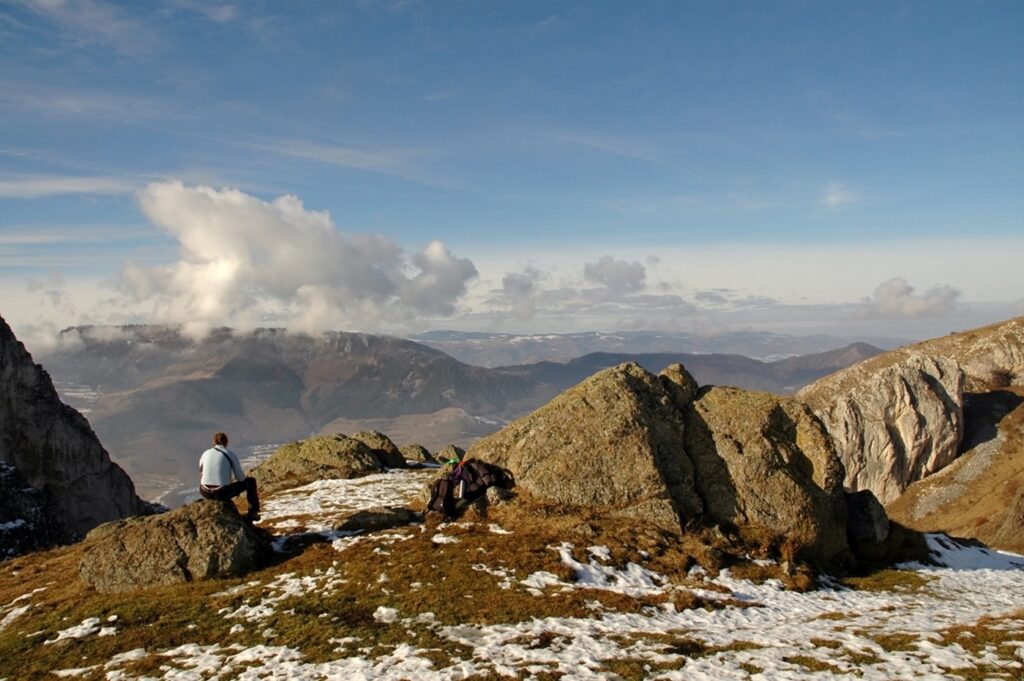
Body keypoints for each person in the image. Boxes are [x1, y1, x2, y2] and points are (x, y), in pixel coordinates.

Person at [198, 432, 261, 522]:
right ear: (226, 442)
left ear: (213, 442)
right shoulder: (230, 454)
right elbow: (241, 478)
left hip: (204, 492)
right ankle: (253, 512)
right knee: (250, 482)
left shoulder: (205, 453)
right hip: (222, 493)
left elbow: (201, 473)